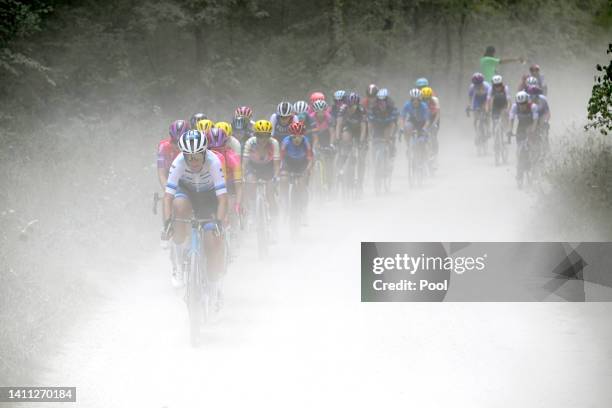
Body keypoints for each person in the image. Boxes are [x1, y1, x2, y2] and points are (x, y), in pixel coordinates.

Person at [161, 130, 227, 299]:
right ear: (184, 155)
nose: (193, 161)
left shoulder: (214, 162)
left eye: (197, 156)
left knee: (212, 243)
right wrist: (168, 222)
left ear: (205, 152)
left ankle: (214, 285)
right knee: (179, 206)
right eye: (189, 157)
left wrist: (219, 223)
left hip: (209, 196)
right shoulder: (179, 162)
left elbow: (223, 198)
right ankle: (178, 261)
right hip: (188, 193)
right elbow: (168, 197)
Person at [242, 119, 281, 224]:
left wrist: (276, 177)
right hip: (253, 167)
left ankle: (275, 221)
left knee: (270, 194)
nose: (263, 139)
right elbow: (244, 163)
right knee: (250, 185)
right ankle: (253, 214)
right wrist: (241, 177)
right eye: (260, 135)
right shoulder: (250, 142)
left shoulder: (274, 143)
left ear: (270, 135)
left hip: (268, 168)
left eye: (266, 136)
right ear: (255, 135)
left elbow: (277, 164)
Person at [280, 121, 313, 223]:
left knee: (302, 183)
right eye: (294, 137)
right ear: (290, 136)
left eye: (300, 136)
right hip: (289, 163)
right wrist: (280, 171)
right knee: (283, 179)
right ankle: (285, 204)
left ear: (303, 136)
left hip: (302, 164)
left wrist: (307, 170)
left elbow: (310, 159)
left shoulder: (306, 142)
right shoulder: (285, 142)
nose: (297, 139)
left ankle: (303, 210)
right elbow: (281, 158)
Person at [335, 92, 368, 197]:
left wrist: (362, 142)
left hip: (359, 131)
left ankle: (360, 183)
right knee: (345, 139)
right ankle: (342, 167)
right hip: (349, 128)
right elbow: (338, 125)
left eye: (353, 106)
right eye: (349, 106)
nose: (351, 108)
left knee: (361, 158)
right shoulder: (343, 108)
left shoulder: (361, 110)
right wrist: (337, 138)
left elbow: (363, 128)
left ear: (357, 105)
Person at [208, 127, 243, 221]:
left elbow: (238, 186)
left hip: (229, 184)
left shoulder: (233, 158)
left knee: (229, 209)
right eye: (212, 149)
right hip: (210, 186)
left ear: (226, 145)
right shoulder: (202, 158)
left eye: (220, 149)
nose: (217, 153)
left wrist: (238, 204)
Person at [509, 91, 539, 187]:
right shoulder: (514, 107)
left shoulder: (533, 107)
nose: (522, 106)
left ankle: (534, 168)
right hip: (521, 128)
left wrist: (533, 131)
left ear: (527, 102)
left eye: (524, 104)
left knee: (533, 149)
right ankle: (519, 171)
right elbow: (511, 119)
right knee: (519, 150)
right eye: (520, 104)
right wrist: (510, 130)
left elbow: (535, 121)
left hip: (531, 126)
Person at [158, 119, 189, 189]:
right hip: (171, 176)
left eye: (181, 141)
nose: (177, 145)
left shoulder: (193, 145)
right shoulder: (163, 146)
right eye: (174, 141)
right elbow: (162, 173)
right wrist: (166, 189)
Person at [368, 88, 399, 157]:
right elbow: (370, 122)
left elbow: (394, 122)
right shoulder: (373, 107)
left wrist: (391, 136)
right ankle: (374, 158)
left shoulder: (391, 106)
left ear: (387, 100)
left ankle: (391, 153)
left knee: (389, 137)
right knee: (374, 141)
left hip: (388, 126)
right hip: (378, 126)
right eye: (379, 101)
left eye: (383, 101)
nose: (381, 103)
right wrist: (369, 135)